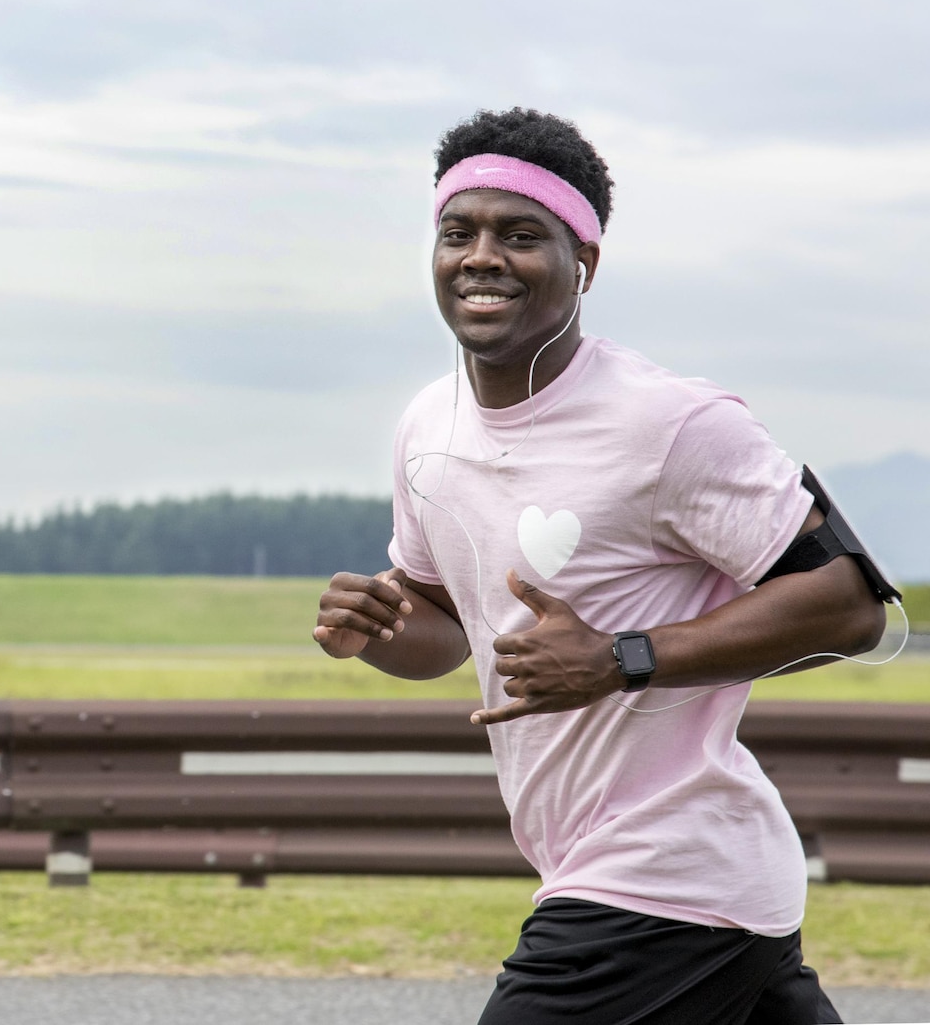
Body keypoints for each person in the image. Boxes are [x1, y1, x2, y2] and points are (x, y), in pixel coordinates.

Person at [311, 109, 890, 1025]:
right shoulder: (428, 427)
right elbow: (448, 633)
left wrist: (619, 656)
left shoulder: (674, 424)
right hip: (686, 880)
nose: (481, 256)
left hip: (664, 879)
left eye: (521, 235)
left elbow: (851, 606)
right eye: (458, 232)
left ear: (582, 261)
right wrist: (378, 631)